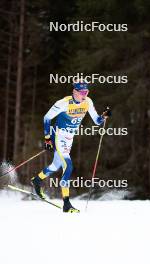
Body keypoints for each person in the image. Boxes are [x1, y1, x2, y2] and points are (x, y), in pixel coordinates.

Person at [31, 80, 111, 212]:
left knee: (56, 165)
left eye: (87, 92)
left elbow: (96, 121)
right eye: (82, 92)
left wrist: (104, 116)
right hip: (58, 136)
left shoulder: (88, 102)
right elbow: (47, 118)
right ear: (74, 91)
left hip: (69, 138)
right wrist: (47, 139)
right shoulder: (63, 103)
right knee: (68, 166)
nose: (84, 95)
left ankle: (37, 180)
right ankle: (66, 204)